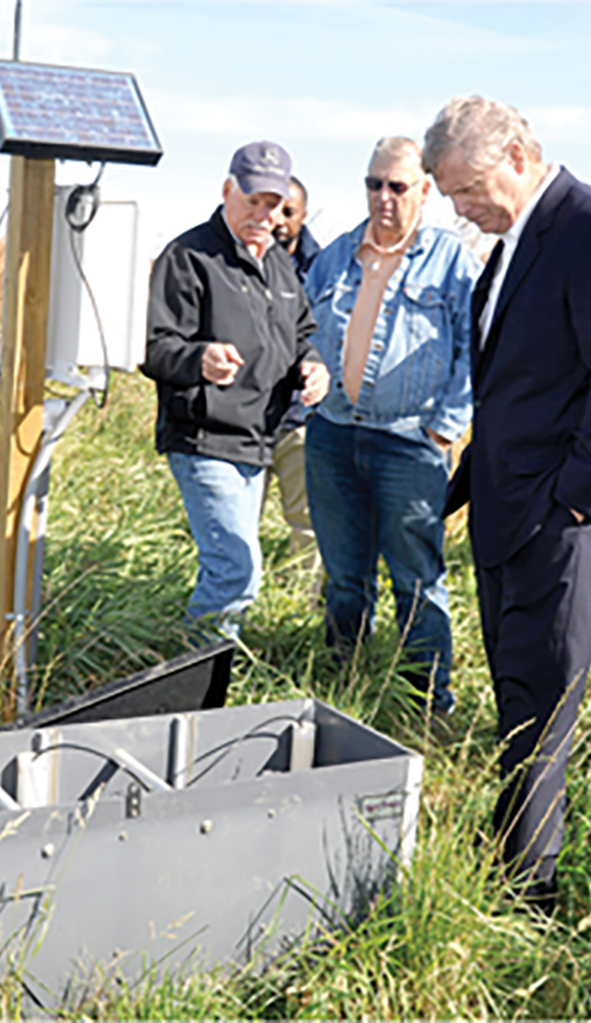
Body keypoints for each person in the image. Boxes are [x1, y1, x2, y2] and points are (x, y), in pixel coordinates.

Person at [424, 96, 591, 911]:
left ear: (518, 155)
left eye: (467, 188)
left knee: (543, 705)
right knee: (518, 692)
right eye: (450, 195)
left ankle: (531, 891)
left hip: (560, 523)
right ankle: (510, 850)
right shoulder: (515, 241)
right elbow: (515, 390)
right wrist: (464, 488)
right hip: (509, 509)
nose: (460, 209)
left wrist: (573, 504)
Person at [302, 137, 478, 717]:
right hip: (332, 435)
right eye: (374, 184)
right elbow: (305, 331)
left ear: (424, 191)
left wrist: (443, 429)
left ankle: (426, 702)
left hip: (409, 443)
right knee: (345, 576)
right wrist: (310, 368)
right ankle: (344, 680)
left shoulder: (452, 262)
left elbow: (477, 352)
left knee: (417, 581)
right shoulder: (335, 256)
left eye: (397, 186)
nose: (383, 197)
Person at [142, 142, 329, 640]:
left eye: (273, 203)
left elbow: (301, 337)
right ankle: (195, 693)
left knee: (233, 572)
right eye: (253, 200)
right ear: (228, 190)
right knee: (236, 573)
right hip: (205, 439)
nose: (264, 214)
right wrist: (198, 359)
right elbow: (154, 349)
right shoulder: (188, 256)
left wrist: (312, 367)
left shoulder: (280, 266)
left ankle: (204, 679)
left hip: (260, 441)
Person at [268, 176, 324, 583]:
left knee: (306, 522)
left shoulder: (323, 269)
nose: (280, 221)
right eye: (274, 210)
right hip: (244, 421)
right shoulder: (237, 262)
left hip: (297, 417)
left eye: (290, 212)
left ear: (304, 216)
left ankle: (298, 606)